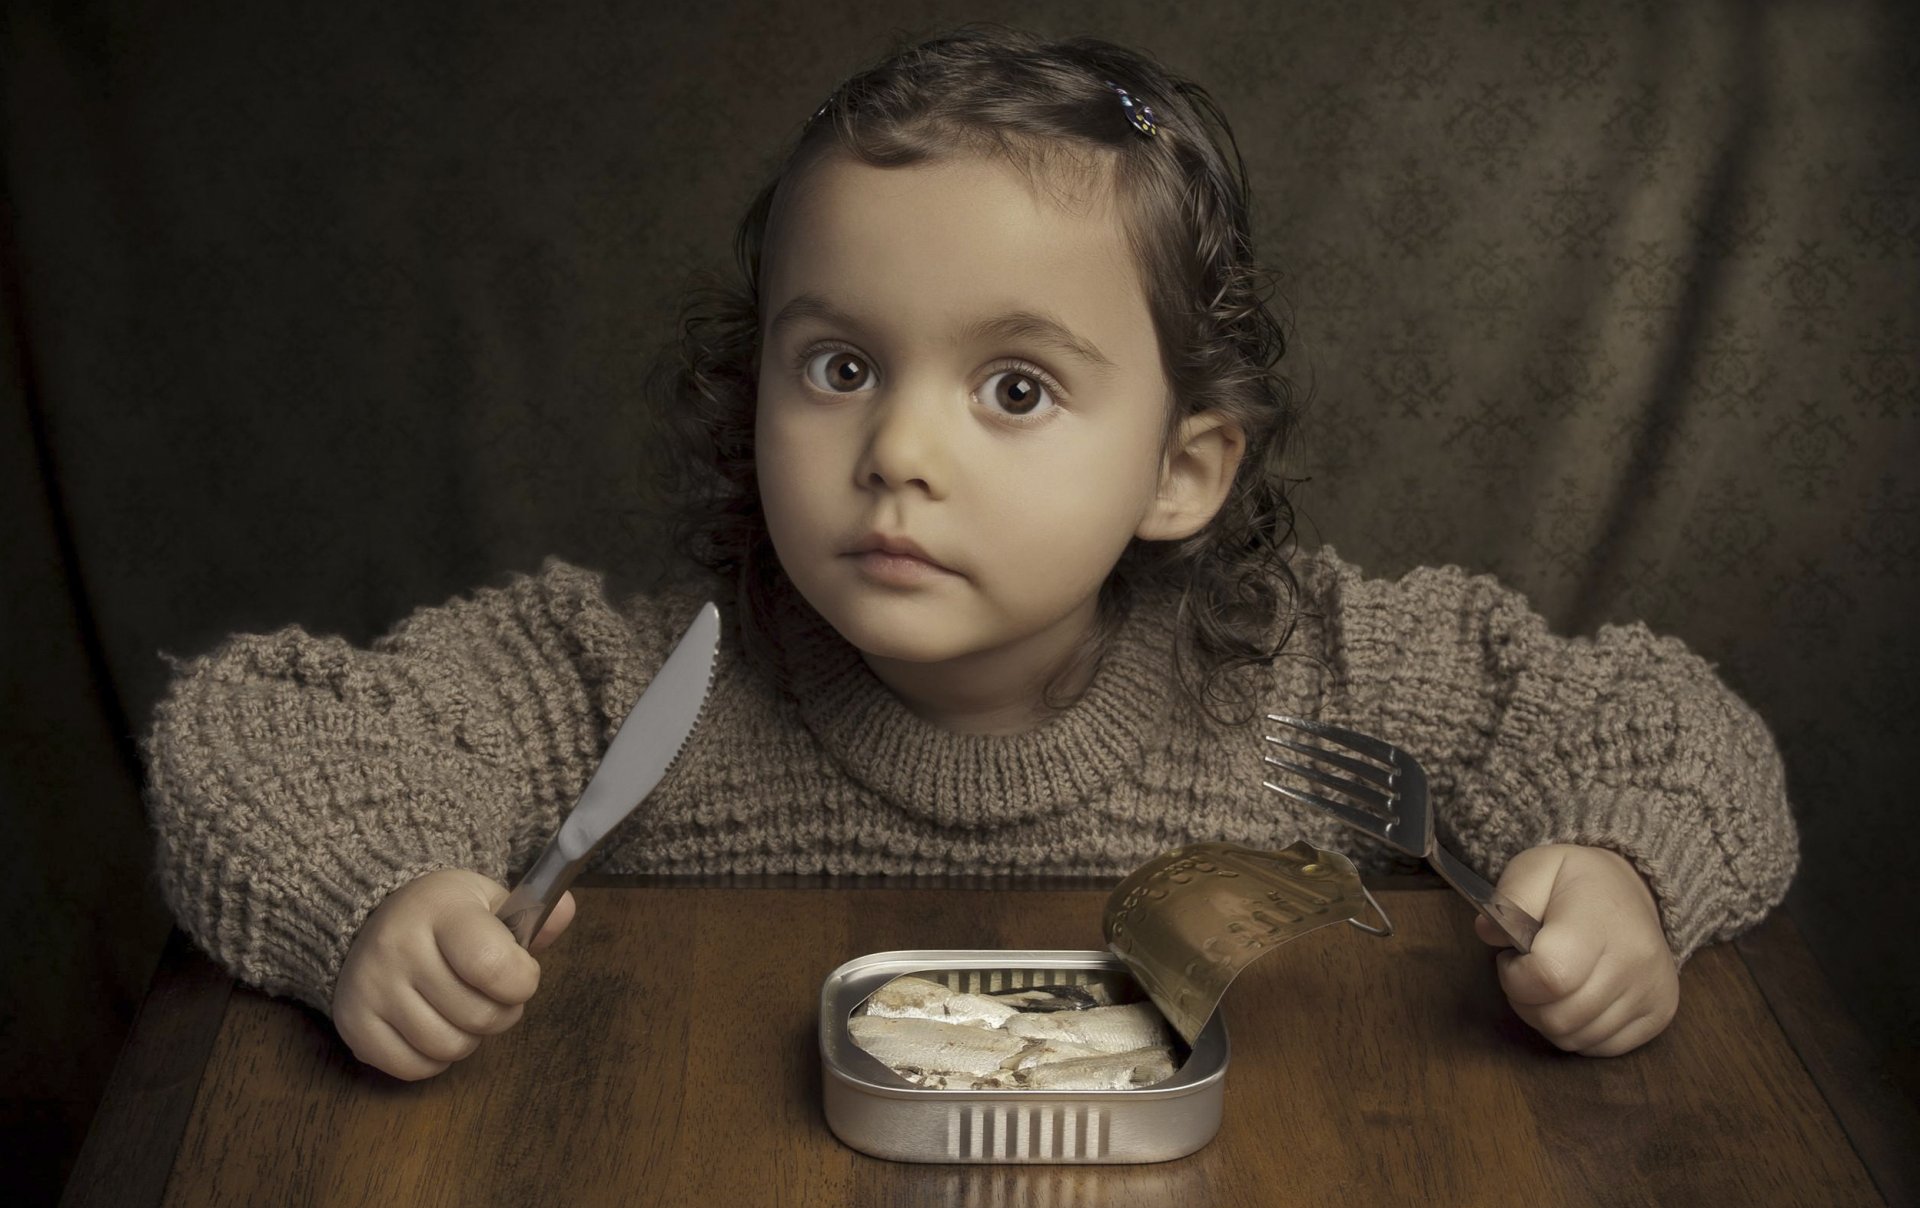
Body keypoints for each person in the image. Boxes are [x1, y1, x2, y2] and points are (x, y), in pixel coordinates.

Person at [143, 26, 1798, 1082]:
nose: (899, 452)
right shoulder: (630, 678)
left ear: (1180, 467)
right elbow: (256, 728)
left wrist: (1622, 879)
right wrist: (382, 903)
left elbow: (1668, 727)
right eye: (840, 365)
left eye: (1014, 386)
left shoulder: (1321, 669)